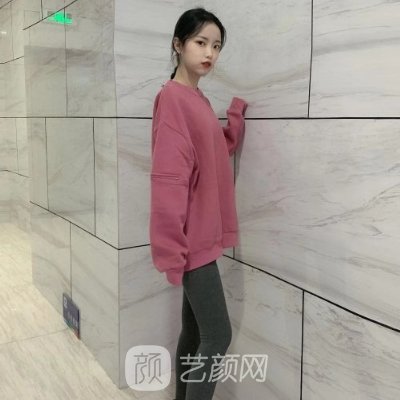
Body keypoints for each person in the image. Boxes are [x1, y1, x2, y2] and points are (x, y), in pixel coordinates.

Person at [149, 7, 248, 400]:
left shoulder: (195, 98)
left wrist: (234, 122)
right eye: (200, 42)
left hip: (200, 236)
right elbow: (169, 180)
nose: (209, 53)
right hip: (192, 242)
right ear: (178, 44)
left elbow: (209, 149)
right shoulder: (173, 99)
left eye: (217, 46)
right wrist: (172, 248)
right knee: (217, 335)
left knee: (194, 333)